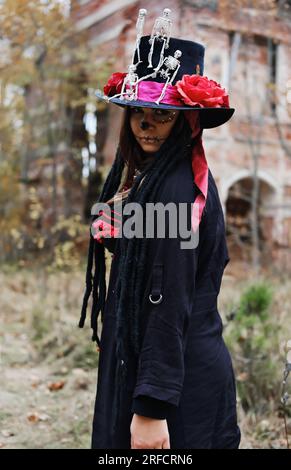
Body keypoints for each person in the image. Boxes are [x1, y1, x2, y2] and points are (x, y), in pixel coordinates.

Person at [79, 11, 241, 450]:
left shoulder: (174, 190)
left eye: (162, 117)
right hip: (163, 370)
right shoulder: (154, 182)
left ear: (187, 122)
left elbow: (167, 299)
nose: (147, 127)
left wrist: (152, 407)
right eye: (140, 115)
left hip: (176, 390)